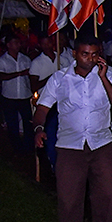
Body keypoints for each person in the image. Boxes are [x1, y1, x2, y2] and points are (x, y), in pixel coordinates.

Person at [33, 33, 112, 222]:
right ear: (75, 54)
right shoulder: (59, 79)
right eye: (85, 54)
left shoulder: (108, 76)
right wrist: (38, 129)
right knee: (69, 200)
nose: (90, 59)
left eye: (95, 54)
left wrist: (104, 79)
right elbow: (42, 108)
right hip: (70, 147)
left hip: (101, 144)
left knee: (108, 196)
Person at [30, 35, 66, 166]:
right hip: (47, 105)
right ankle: (53, 164)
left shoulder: (63, 59)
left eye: (48, 44)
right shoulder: (37, 63)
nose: (46, 47)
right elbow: (33, 86)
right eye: (43, 44)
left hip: (64, 104)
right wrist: (51, 78)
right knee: (50, 135)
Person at [0, 35, 33, 153]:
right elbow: (1, 76)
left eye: (18, 42)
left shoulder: (25, 59)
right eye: (15, 42)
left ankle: (28, 146)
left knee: (28, 122)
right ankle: (16, 147)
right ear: (8, 45)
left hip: (25, 95)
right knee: (12, 124)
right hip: (9, 96)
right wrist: (20, 73)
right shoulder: (2, 60)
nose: (18, 45)